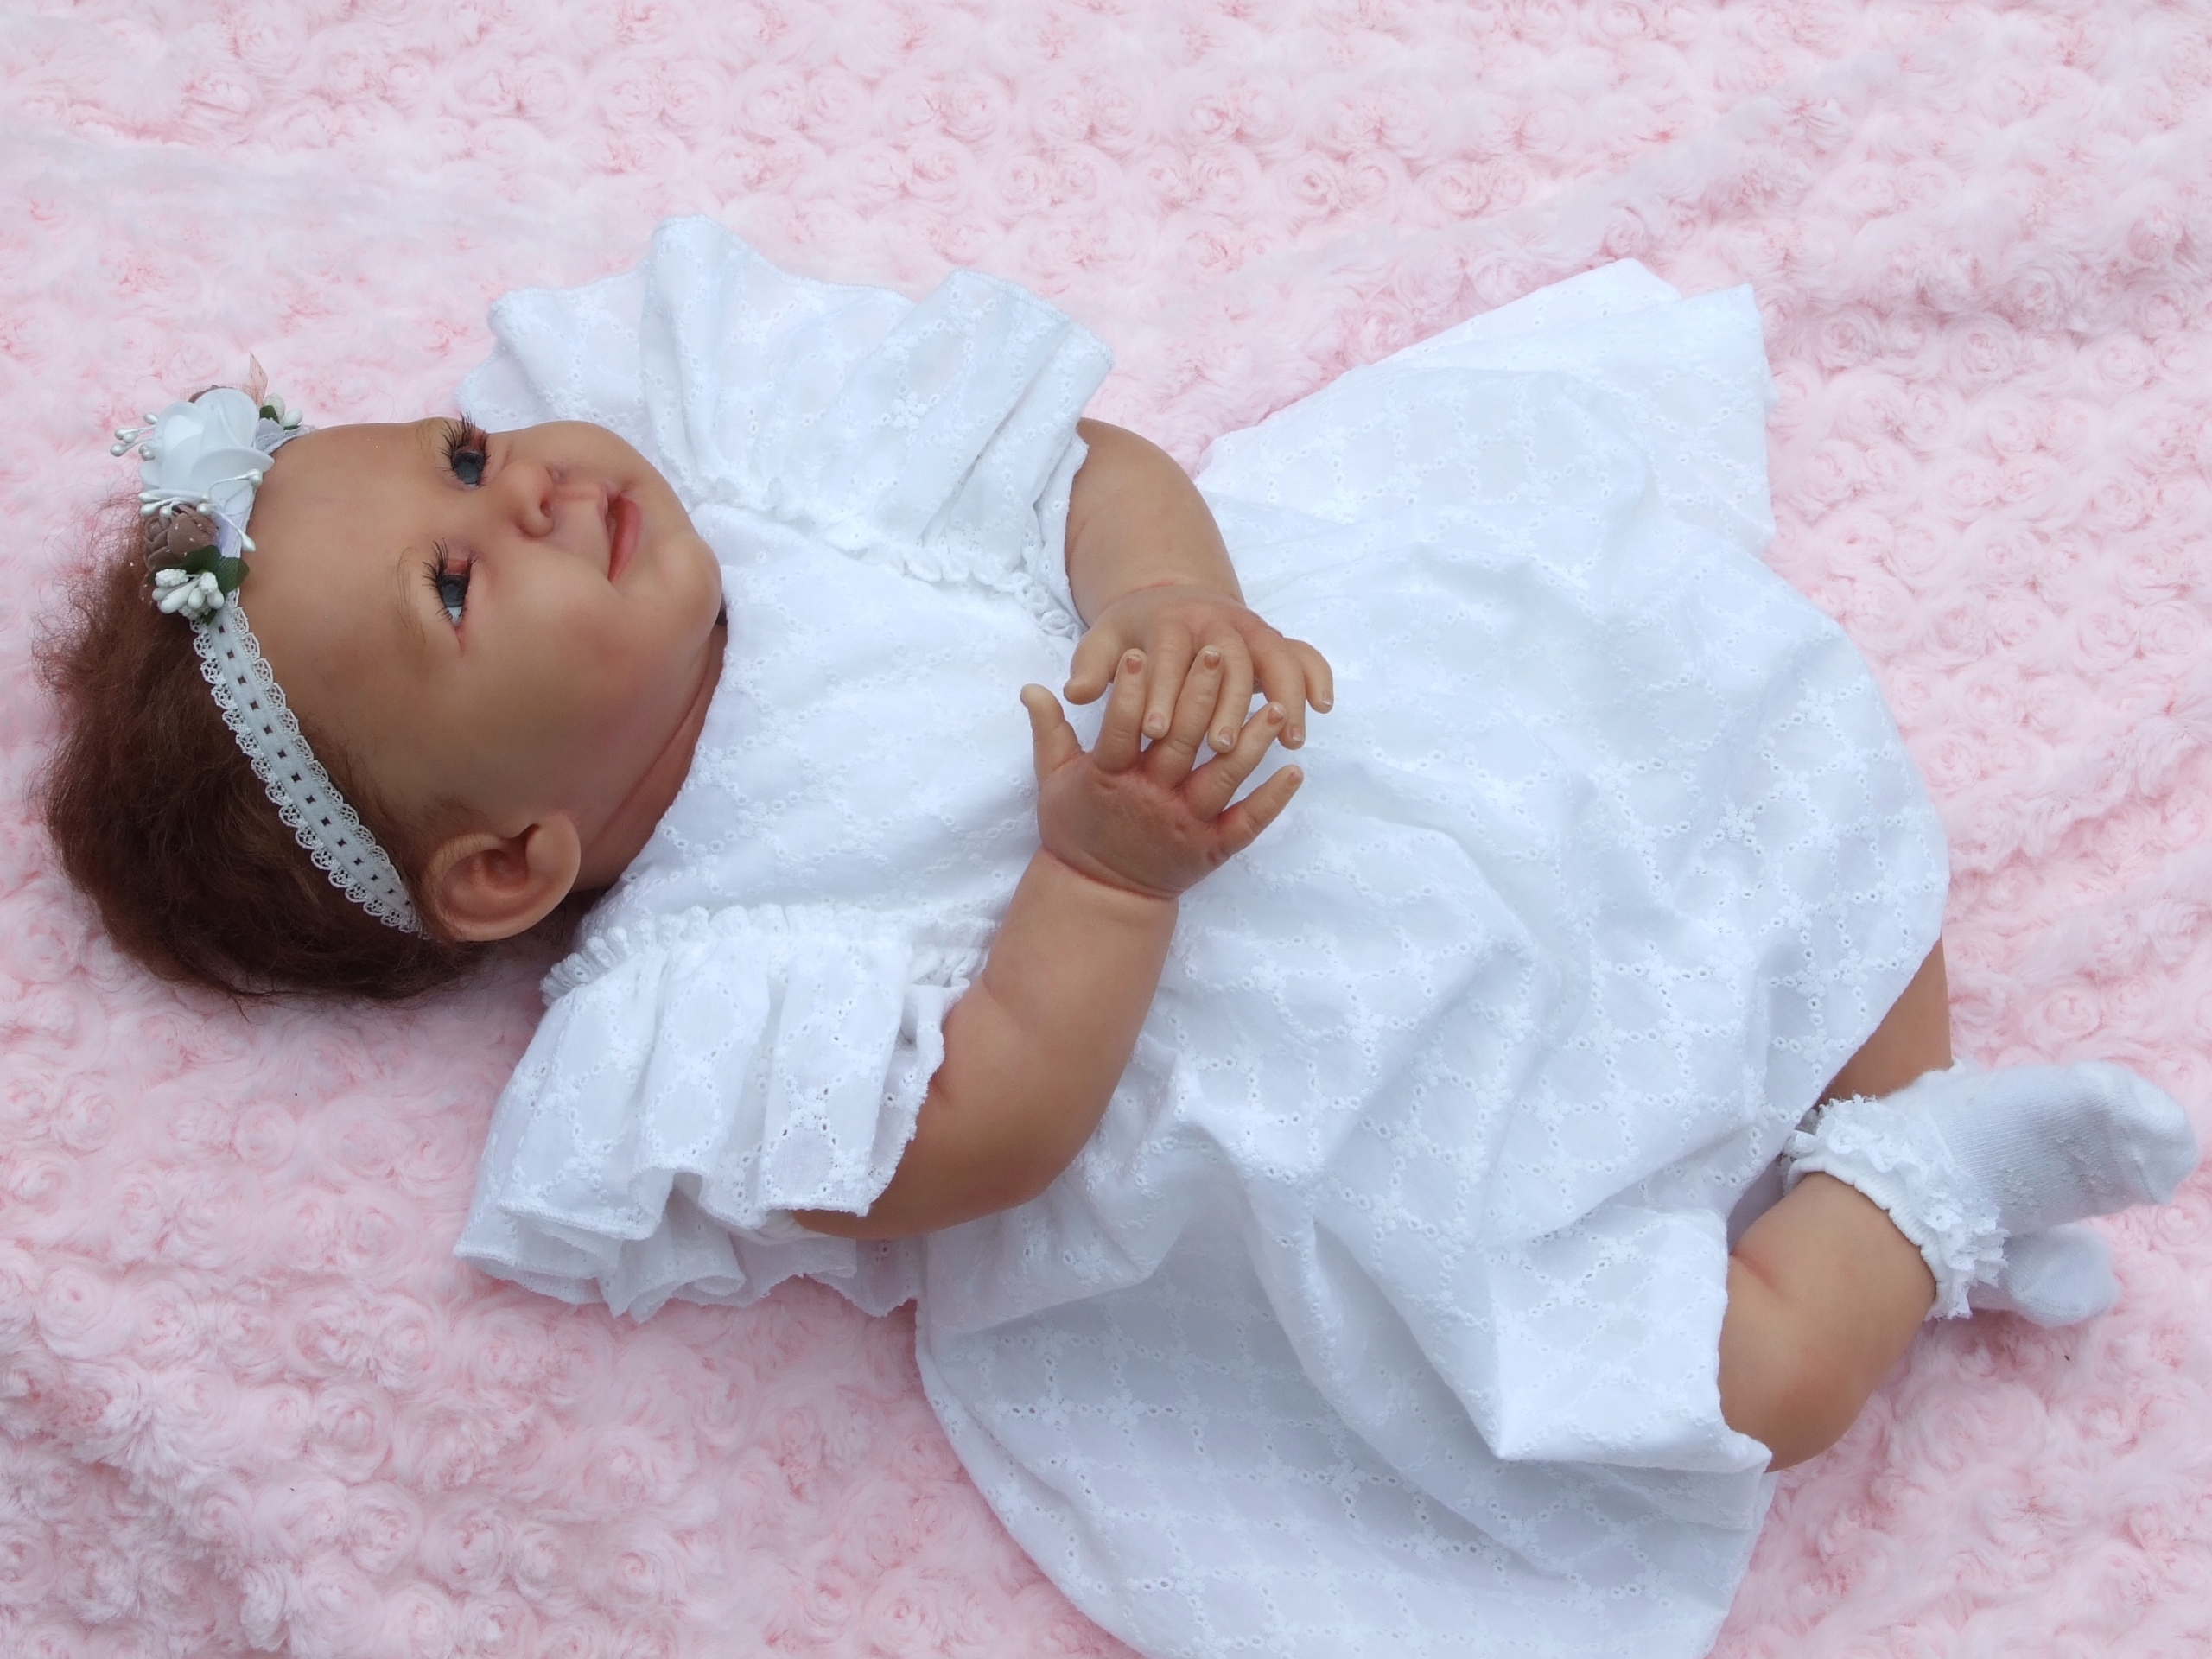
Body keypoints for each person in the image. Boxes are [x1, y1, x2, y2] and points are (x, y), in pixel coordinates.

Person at [43, 217, 2196, 1659]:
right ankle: (1915, 1190)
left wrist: (1167, 596)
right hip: (1328, 1096)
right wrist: (1096, 883)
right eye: (454, 582)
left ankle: (1875, 1089)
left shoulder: (799, 495)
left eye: (459, 449)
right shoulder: (703, 995)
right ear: (507, 867)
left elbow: (1083, 466)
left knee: (1771, 795)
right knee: (1736, 1386)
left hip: (1401, 757)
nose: (515, 484)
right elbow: (976, 1138)